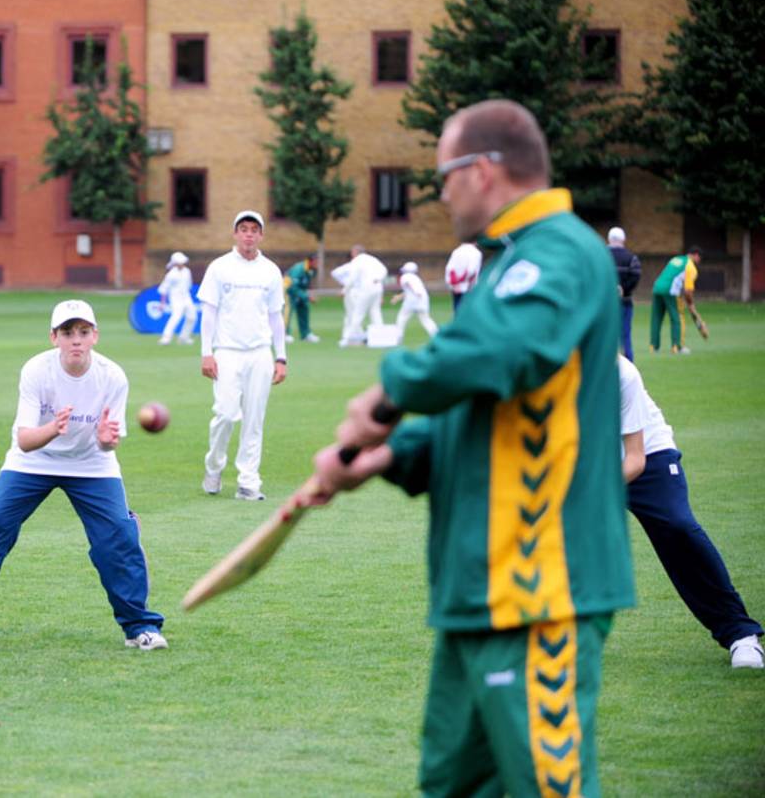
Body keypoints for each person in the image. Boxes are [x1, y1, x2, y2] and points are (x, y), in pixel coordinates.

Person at [297, 100, 634, 796]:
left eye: (443, 174)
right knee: (450, 784)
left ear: (482, 170)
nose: (438, 191)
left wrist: (388, 397)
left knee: (551, 785)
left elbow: (494, 353)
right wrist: (382, 458)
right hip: (478, 590)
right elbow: (481, 411)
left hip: (540, 587)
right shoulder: (509, 263)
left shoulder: (562, 253)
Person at [0, 300, 166, 652]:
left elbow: (107, 444)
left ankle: (140, 627)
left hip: (91, 465)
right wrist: (54, 429)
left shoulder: (112, 376)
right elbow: (26, 441)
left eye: (83, 333)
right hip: (33, 462)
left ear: (95, 337)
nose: (76, 340)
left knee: (118, 537)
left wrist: (106, 441)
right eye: (68, 333)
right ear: (53, 337)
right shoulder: (36, 371)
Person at [618, 356, 762, 669]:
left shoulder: (620, 373)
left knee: (678, 527)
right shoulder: (534, 367)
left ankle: (741, 635)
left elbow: (634, 459)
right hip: (580, 459)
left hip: (647, 456)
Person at [198, 210, 287, 502]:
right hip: (226, 351)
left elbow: (276, 316)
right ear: (235, 234)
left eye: (254, 230)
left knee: (254, 418)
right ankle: (214, 467)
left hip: (260, 351)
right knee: (225, 413)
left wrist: (281, 357)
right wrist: (206, 353)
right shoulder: (219, 267)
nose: (249, 234)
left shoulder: (270, 271)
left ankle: (248, 481)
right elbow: (208, 313)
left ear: (261, 235)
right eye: (243, 229)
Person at [331, 244, 387, 347]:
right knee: (375, 312)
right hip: (378, 287)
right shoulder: (372, 259)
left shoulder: (357, 261)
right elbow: (384, 270)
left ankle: (347, 339)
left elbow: (352, 278)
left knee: (357, 314)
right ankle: (380, 339)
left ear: (354, 252)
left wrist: (344, 290)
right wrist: (378, 279)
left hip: (366, 288)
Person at [650, 246, 701, 355]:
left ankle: (653, 347)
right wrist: (690, 304)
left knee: (656, 318)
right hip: (670, 291)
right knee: (676, 318)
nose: (699, 261)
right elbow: (688, 291)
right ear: (696, 255)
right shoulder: (691, 267)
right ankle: (676, 347)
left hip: (657, 287)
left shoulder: (676, 259)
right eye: (699, 258)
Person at [607, 227, 642, 361]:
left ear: (609, 239)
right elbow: (636, 276)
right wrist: (623, 288)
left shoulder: (602, 255)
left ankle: (607, 364)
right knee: (625, 335)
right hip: (625, 302)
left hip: (606, 303)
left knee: (607, 335)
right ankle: (629, 362)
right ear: (624, 240)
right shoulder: (631, 257)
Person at [157, 251, 197, 346]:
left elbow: (189, 285)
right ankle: (166, 337)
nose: (181, 264)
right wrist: (162, 303)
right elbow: (164, 289)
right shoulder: (171, 274)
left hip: (186, 297)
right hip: (175, 298)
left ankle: (184, 337)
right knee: (176, 317)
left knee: (192, 317)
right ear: (175, 263)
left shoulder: (187, 271)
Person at [391, 262, 438, 341]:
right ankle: (436, 335)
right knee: (426, 319)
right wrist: (398, 297)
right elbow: (408, 291)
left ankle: (398, 337)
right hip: (423, 300)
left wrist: (416, 291)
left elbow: (410, 285)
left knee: (401, 318)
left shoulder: (405, 276)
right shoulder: (417, 278)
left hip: (412, 301)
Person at [285, 254, 321, 343]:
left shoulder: (312, 270)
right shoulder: (299, 269)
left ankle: (305, 334)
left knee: (304, 308)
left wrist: (307, 294)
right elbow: (292, 286)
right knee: (287, 313)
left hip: (300, 291)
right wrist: (307, 296)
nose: (318, 264)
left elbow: (306, 283)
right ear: (310, 261)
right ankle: (284, 334)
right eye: (317, 262)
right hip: (288, 291)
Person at [444, 240, 483, 313]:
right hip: (469, 285)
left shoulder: (456, 251)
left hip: (456, 284)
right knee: (468, 308)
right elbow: (471, 270)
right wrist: (464, 281)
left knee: (457, 305)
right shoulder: (476, 253)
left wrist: (454, 283)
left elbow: (450, 269)